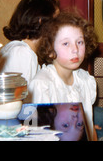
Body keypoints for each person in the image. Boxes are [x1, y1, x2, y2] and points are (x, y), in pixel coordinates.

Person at [28, 10, 99, 140]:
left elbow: (89, 127)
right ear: (50, 50)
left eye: (80, 42)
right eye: (66, 43)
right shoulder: (42, 84)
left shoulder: (86, 80)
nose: (75, 50)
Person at [0, 0, 60, 84]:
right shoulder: (22, 53)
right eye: (57, 20)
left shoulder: (19, 49)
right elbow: (21, 96)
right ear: (41, 21)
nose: (60, 26)